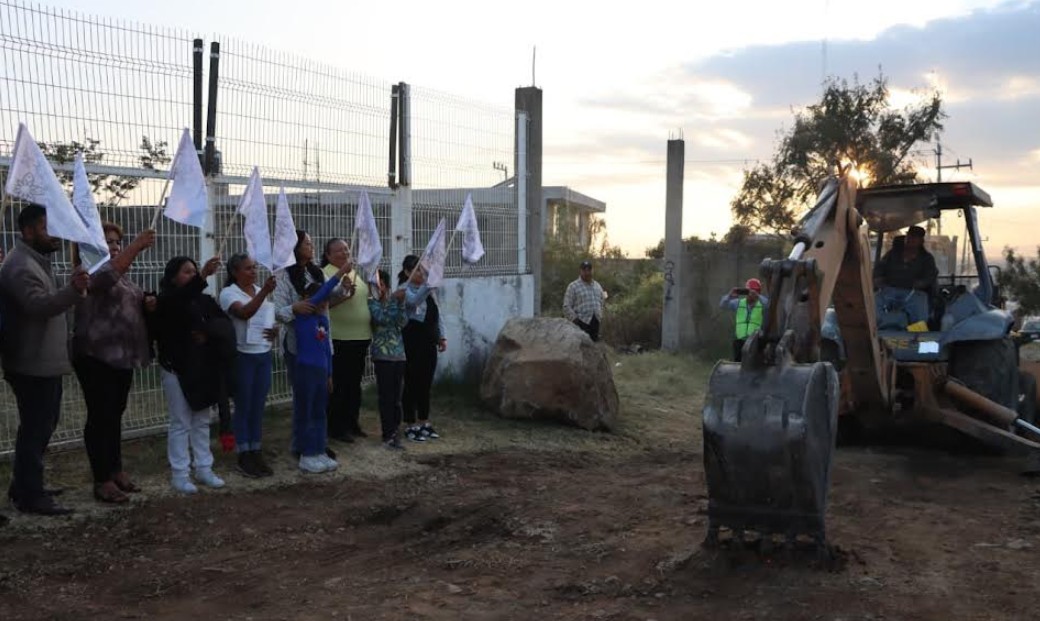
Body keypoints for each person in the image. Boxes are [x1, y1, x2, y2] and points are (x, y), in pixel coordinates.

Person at [0, 204, 89, 516]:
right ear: (27, 231)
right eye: (46, 228)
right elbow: (38, 306)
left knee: (41, 426)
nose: (55, 234)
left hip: (43, 361)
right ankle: (30, 496)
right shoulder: (20, 265)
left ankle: (24, 486)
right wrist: (73, 291)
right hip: (31, 363)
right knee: (35, 429)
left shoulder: (35, 261)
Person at [72, 222, 157, 504]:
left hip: (122, 357)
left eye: (117, 242)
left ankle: (115, 469)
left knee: (114, 416)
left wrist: (147, 302)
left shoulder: (123, 275)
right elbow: (105, 279)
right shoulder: (88, 272)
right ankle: (102, 480)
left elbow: (129, 299)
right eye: (108, 242)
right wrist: (136, 246)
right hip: (96, 356)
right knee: (101, 417)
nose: (115, 246)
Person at [152, 255, 232, 494]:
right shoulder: (166, 300)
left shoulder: (204, 300)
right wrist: (203, 275)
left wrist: (207, 332)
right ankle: (180, 473)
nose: (193, 275)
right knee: (181, 421)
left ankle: (204, 468)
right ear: (173, 277)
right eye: (187, 272)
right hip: (176, 368)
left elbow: (223, 323)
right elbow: (177, 307)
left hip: (202, 367)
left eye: (194, 271)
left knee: (201, 420)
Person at [272, 230, 345, 461]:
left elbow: (327, 297)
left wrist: (343, 289)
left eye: (312, 243)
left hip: (320, 340)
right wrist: (295, 308)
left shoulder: (317, 272)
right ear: (294, 247)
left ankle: (318, 443)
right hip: (298, 344)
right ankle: (301, 444)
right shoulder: (283, 275)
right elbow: (278, 312)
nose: (311, 247)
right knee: (304, 398)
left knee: (320, 399)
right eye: (306, 244)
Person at [219, 253, 279, 479]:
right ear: (235, 272)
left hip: (262, 353)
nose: (253, 272)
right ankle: (243, 453)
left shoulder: (257, 289)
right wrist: (264, 293)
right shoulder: (229, 293)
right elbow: (244, 313)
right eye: (247, 268)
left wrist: (273, 330)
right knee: (244, 405)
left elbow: (264, 316)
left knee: (258, 405)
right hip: (243, 355)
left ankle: (256, 449)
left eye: (254, 267)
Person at [292, 260, 350, 474]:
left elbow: (326, 349)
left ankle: (318, 450)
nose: (324, 304)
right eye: (320, 300)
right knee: (307, 412)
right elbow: (321, 293)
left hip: (321, 372)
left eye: (326, 301)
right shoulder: (302, 317)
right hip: (306, 370)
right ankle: (306, 454)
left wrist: (329, 374)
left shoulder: (322, 322)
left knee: (320, 412)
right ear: (307, 300)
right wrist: (339, 274)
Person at [321, 238, 370, 443]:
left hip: (360, 336)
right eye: (339, 250)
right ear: (328, 255)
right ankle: (337, 427)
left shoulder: (352, 272)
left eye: (346, 249)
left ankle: (352, 422)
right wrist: (342, 294)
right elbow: (323, 303)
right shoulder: (326, 274)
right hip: (340, 337)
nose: (344, 253)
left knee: (354, 384)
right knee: (340, 385)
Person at [398, 255, 446, 442]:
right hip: (412, 340)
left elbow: (437, 314)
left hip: (428, 340)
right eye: (417, 270)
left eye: (423, 270)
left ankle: (424, 420)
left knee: (426, 382)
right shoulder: (404, 289)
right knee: (411, 381)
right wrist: (428, 285)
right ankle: (410, 423)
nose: (422, 274)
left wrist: (441, 336)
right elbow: (413, 302)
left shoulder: (429, 290)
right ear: (407, 272)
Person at [368, 270, 409, 450]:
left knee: (397, 398)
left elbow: (402, 321)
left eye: (381, 284)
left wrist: (400, 303)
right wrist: (394, 301)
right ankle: (387, 434)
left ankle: (395, 432)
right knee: (386, 397)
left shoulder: (395, 302)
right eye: (374, 285)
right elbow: (382, 318)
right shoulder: (372, 303)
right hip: (383, 356)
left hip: (398, 355)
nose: (378, 288)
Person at [873, 225, 938, 326]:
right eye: (909, 236)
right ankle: (876, 328)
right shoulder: (892, 254)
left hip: (913, 292)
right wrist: (878, 278)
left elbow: (931, 276)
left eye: (915, 238)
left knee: (921, 303)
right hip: (889, 289)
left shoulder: (927, 258)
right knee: (875, 300)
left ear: (921, 241)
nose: (911, 240)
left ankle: (918, 332)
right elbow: (879, 268)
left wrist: (922, 283)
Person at [719, 278, 770, 362]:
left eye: (753, 292)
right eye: (748, 292)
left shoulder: (762, 304)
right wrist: (729, 295)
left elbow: (768, 305)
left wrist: (757, 296)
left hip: (756, 341)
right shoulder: (739, 303)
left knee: (754, 364)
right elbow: (722, 304)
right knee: (738, 364)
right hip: (740, 341)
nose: (750, 295)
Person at [563, 260, 607, 342]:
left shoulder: (597, 286)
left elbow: (602, 302)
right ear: (580, 271)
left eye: (589, 270)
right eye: (584, 270)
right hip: (581, 324)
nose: (587, 273)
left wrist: (600, 315)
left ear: (592, 270)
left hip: (595, 323)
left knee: (593, 347)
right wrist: (575, 320)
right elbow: (566, 306)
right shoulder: (573, 286)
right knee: (582, 348)